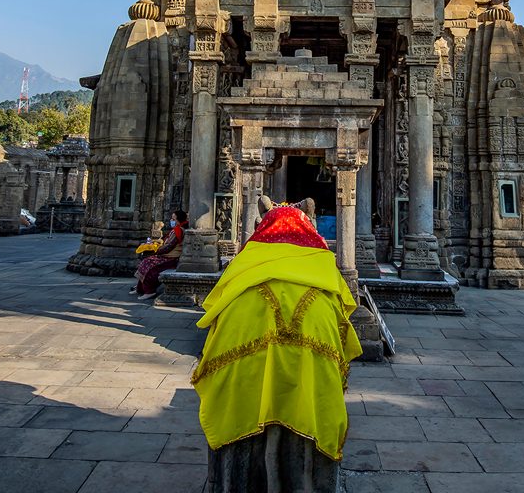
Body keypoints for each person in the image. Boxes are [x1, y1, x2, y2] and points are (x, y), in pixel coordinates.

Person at [192, 199, 362, 493]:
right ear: (309, 234)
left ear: (261, 234)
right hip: (308, 402)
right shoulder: (323, 287)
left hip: (244, 413)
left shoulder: (240, 285)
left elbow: (212, 349)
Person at [133, 210, 186, 300]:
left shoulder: (178, 230)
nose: (171, 220)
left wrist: (157, 250)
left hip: (171, 258)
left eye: (173, 219)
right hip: (167, 255)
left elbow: (169, 246)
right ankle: (140, 289)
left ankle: (149, 291)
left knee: (149, 264)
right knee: (146, 262)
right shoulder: (177, 229)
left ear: (178, 220)